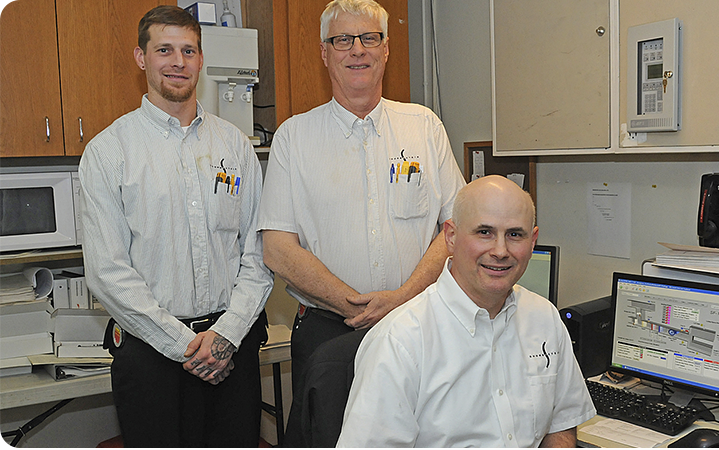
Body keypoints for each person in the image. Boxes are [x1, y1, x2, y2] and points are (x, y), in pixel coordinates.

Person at [257, 0, 465, 446]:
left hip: (418, 325)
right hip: (326, 332)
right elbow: (276, 247)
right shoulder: (295, 137)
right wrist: (353, 306)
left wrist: (402, 298)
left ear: (386, 49)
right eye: (343, 40)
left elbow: (457, 228)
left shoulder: (424, 127)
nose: (357, 50)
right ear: (324, 52)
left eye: (369, 38)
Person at [78, 5, 273, 447]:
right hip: (151, 356)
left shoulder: (236, 147)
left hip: (231, 348)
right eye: (164, 49)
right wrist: (185, 345)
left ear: (201, 60)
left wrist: (225, 335)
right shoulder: (110, 152)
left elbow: (258, 253)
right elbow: (108, 271)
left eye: (189, 50)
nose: (178, 61)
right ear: (141, 58)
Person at [337, 175, 597, 447]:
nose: (500, 251)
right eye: (484, 232)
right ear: (451, 236)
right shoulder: (400, 341)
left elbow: (561, 423)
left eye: (514, 235)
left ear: (532, 241)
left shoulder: (544, 317)